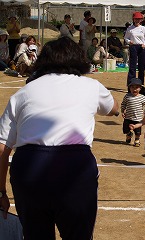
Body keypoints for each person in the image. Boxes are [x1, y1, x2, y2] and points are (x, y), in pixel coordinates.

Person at [0, 36, 119, 239]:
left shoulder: (23, 93)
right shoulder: (91, 86)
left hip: (28, 167)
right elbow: (113, 109)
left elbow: (3, 147)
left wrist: (1, 191)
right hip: (74, 166)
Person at [121, 78, 145, 147]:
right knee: (125, 129)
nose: (134, 89)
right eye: (132, 87)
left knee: (137, 131)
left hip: (137, 119)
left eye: (136, 87)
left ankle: (137, 140)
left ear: (140, 88)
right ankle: (129, 134)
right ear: (129, 88)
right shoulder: (127, 96)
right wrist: (123, 111)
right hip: (128, 117)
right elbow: (123, 104)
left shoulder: (142, 97)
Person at [124, 11, 145, 85]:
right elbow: (126, 38)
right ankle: (131, 83)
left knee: (141, 66)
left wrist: (144, 44)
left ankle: (141, 83)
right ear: (133, 19)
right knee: (132, 66)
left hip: (141, 47)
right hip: (133, 46)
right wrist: (129, 42)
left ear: (141, 20)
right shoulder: (130, 28)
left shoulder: (144, 29)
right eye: (136, 19)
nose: (137, 20)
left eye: (139, 19)